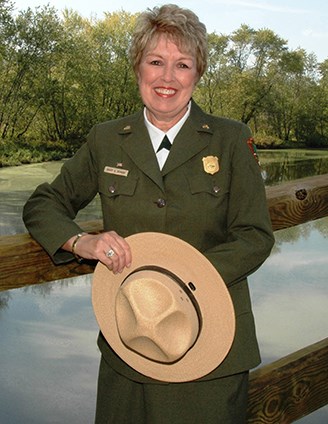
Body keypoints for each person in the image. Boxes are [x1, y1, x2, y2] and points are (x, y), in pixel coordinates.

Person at [23, 4, 274, 423]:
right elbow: (44, 203)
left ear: (198, 73)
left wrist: (185, 280)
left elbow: (255, 234)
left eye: (182, 64)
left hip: (212, 348)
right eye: (156, 62)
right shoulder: (106, 139)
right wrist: (80, 241)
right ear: (137, 66)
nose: (167, 78)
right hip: (131, 346)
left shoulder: (231, 139)